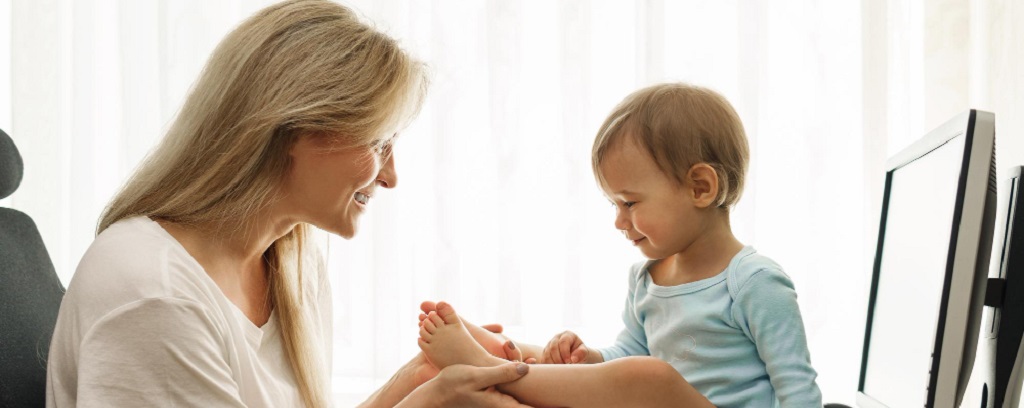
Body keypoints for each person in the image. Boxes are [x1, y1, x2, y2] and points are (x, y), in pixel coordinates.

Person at [45, 1, 531, 407]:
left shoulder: (291, 260)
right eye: (379, 141)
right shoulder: (155, 298)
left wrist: (415, 381)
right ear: (293, 129)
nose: (390, 176)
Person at [415, 83, 824, 407]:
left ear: (701, 187)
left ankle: (485, 368)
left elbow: (797, 388)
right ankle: (503, 354)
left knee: (649, 376)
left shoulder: (755, 283)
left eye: (629, 202)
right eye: (614, 204)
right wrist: (590, 358)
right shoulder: (647, 279)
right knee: (599, 366)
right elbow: (629, 352)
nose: (618, 220)